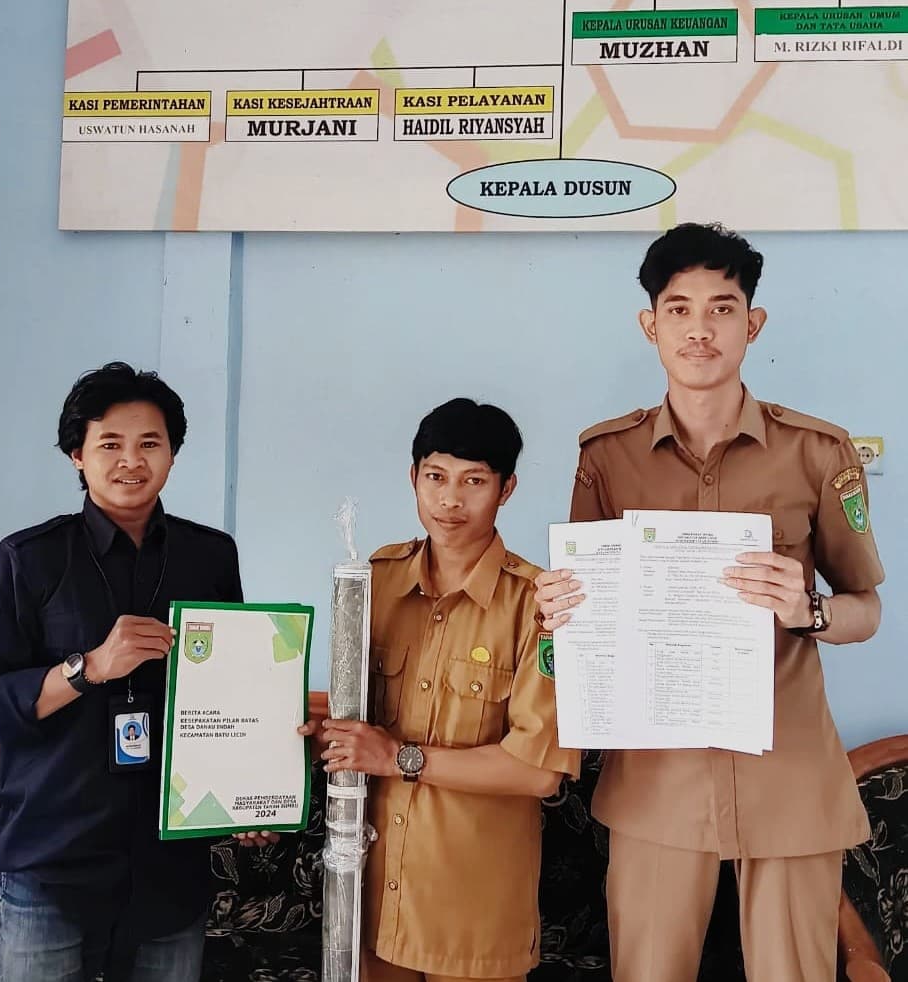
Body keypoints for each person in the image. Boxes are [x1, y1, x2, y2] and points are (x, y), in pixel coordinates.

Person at [535, 223, 884, 982]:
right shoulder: (606, 457)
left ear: (752, 324)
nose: (700, 329)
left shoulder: (819, 453)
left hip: (788, 775)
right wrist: (558, 613)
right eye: (679, 308)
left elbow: (866, 607)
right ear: (650, 324)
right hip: (658, 783)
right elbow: (580, 619)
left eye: (722, 308)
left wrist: (810, 611)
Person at [0, 362, 243, 982]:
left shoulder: (209, 556)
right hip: (53, 862)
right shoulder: (26, 559)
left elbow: (232, 690)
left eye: (150, 443)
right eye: (110, 443)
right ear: (76, 454)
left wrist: (248, 799)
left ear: (173, 454)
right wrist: (87, 668)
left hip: (168, 868)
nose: (131, 460)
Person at [311, 398, 580, 982]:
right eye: (435, 477)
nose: (450, 500)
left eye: (474, 481)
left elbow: (537, 772)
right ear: (413, 477)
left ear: (506, 488)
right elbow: (349, 717)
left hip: (475, 911)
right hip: (374, 901)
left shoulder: (540, 604)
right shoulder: (373, 583)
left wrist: (396, 757)